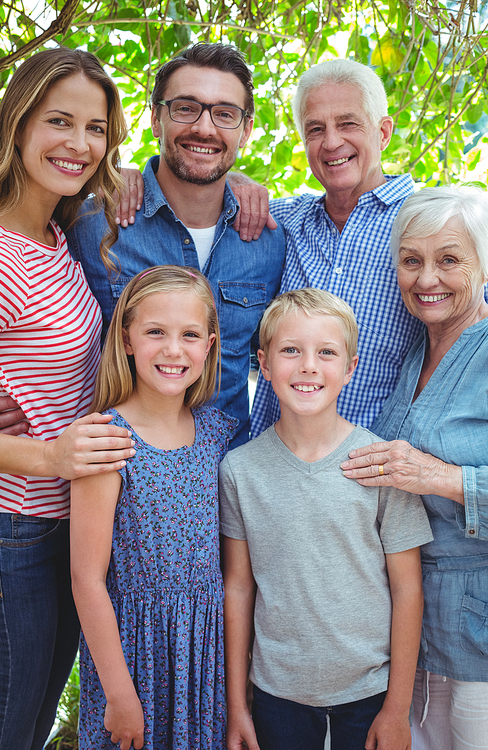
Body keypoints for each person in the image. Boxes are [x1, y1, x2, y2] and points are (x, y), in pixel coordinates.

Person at [0, 48, 137, 750]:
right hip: (6, 531)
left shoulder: (55, 236)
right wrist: (46, 454)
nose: (80, 144)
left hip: (57, 528)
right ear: (17, 124)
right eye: (59, 121)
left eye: (97, 128)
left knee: (31, 726)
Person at [219, 288, 433, 750]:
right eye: (291, 350)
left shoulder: (380, 464)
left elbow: (407, 587)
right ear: (264, 361)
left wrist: (397, 710)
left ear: (351, 367)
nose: (308, 366)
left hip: (369, 691)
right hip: (277, 692)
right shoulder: (240, 470)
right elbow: (238, 586)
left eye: (326, 352)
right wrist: (237, 704)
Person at [66, 43, 285, 447]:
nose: (204, 128)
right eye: (186, 108)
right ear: (155, 118)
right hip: (119, 484)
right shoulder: (94, 222)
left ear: (246, 130)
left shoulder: (268, 240)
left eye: (225, 114)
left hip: (226, 488)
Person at [340, 186, 488, 749]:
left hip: (478, 631)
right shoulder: (412, 355)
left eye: (449, 259)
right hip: (410, 635)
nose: (427, 279)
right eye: (411, 261)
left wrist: (439, 477)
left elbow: (424, 472)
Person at [71, 265, 236, 750]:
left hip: (202, 660)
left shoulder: (215, 433)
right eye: (155, 332)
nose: (172, 349)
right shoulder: (108, 442)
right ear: (126, 340)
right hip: (131, 657)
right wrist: (119, 693)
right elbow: (86, 579)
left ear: (208, 345)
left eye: (189, 335)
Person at [229, 58, 425, 434]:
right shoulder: (283, 222)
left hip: (369, 478)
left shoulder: (428, 225)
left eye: (348, 123)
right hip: (267, 470)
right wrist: (125, 181)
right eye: (315, 129)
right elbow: (201, 196)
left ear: (383, 133)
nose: (332, 142)